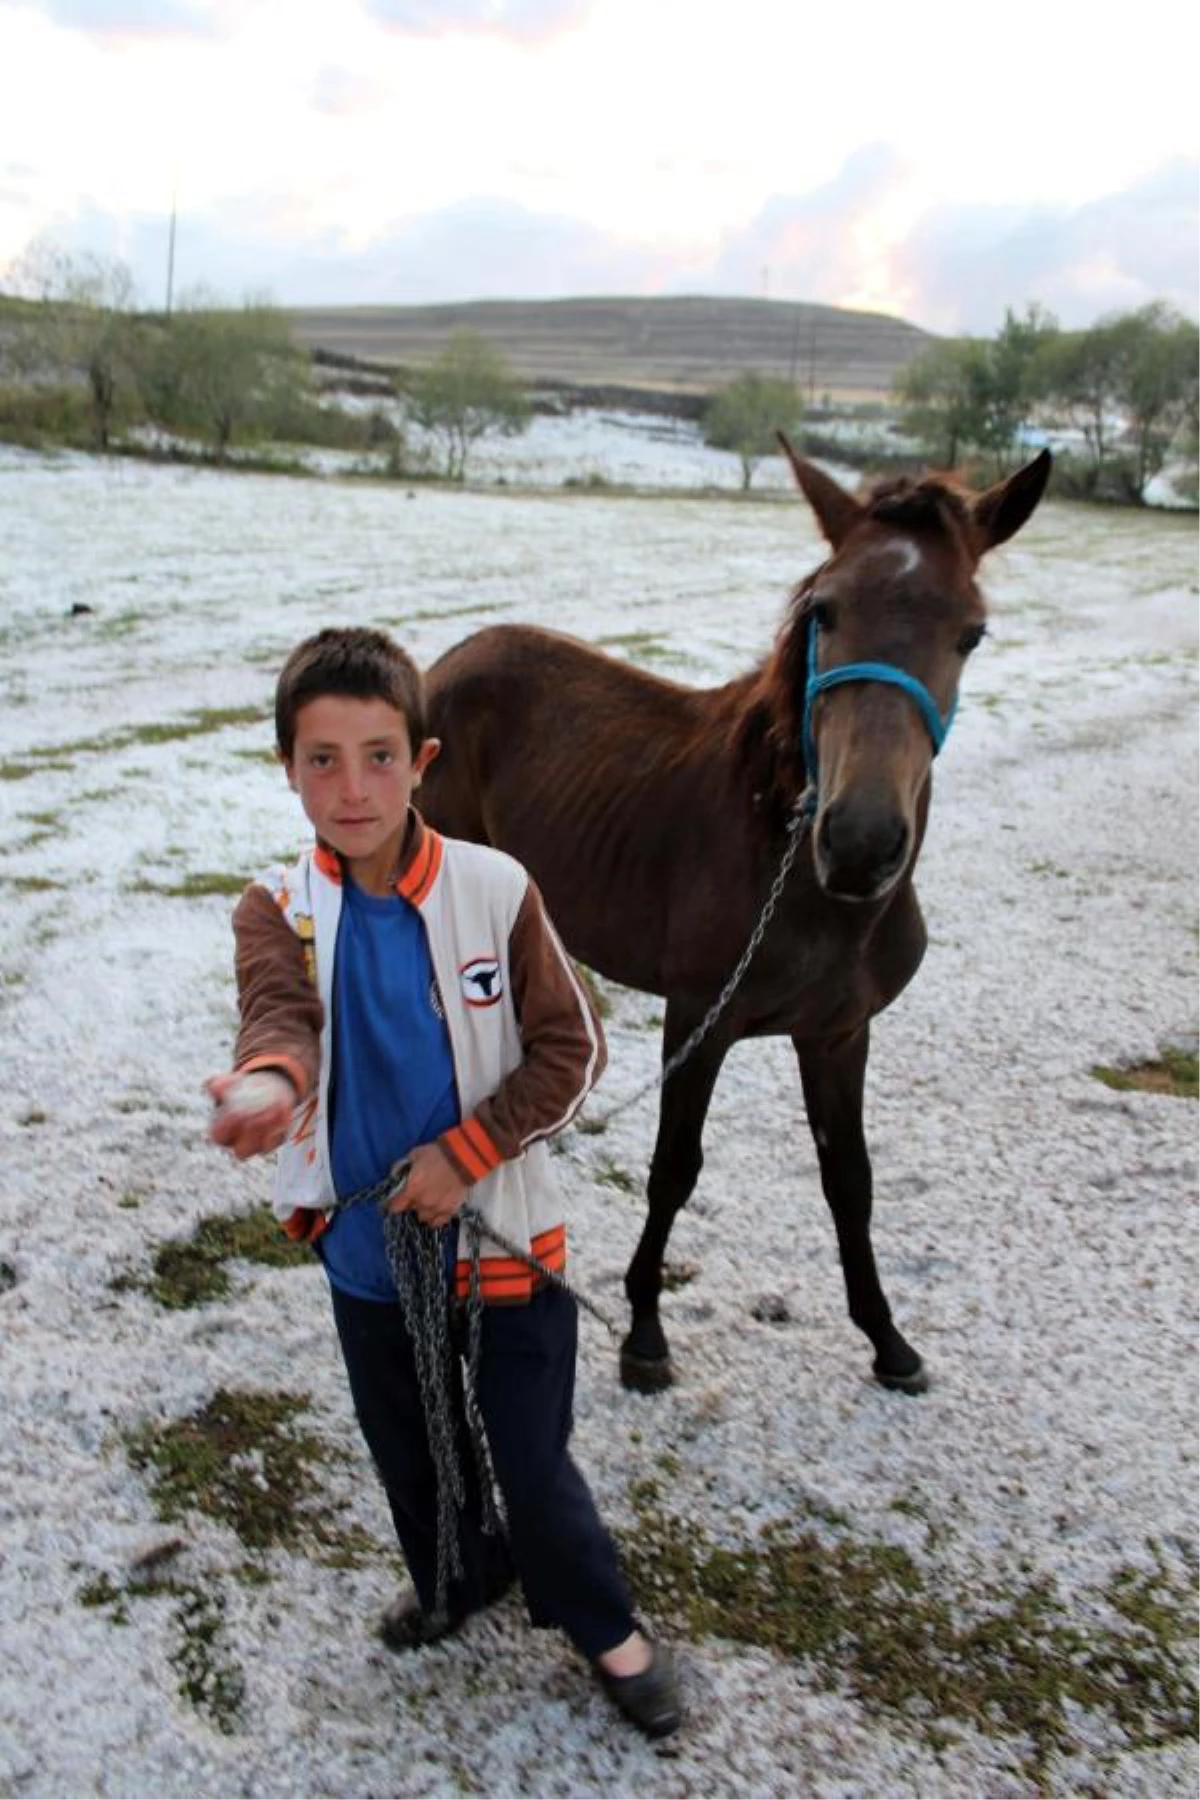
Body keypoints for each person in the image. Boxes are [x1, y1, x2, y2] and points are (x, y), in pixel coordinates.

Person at [208, 625, 681, 1740]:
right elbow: (282, 1017)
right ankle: (458, 1577)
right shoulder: (276, 907)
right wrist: (271, 1085)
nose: (352, 785)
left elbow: (575, 1054)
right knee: (408, 1443)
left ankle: (607, 1629)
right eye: (321, 758)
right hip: (370, 1257)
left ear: (423, 762)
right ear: (287, 768)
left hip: (503, 1242)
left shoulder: (494, 886)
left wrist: (467, 1152)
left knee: (528, 1453)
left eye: (379, 755)